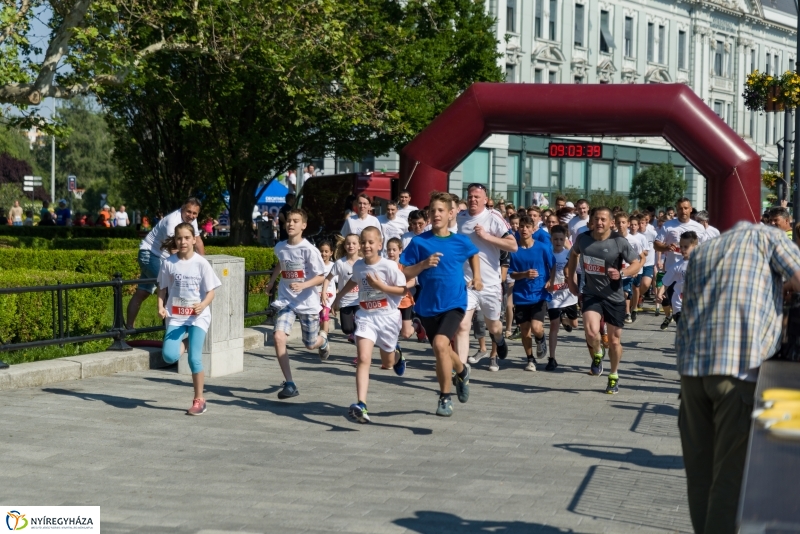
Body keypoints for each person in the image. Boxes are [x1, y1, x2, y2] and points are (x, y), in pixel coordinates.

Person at [676, 222, 800, 534]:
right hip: (737, 370)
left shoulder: (705, 249)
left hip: (692, 372)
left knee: (700, 475)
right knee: (729, 479)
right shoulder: (770, 238)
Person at [401, 192, 481, 417]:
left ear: (450, 214)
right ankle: (462, 369)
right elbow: (405, 270)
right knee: (442, 350)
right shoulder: (419, 242)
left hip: (455, 302)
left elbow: (473, 255)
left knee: (439, 344)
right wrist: (423, 264)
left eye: (440, 210)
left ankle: (445, 398)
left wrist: (477, 277)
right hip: (427, 305)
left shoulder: (460, 240)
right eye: (432, 210)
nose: (436, 214)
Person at [332, 227, 407, 423]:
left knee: (387, 363)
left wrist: (381, 287)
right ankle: (361, 404)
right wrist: (338, 297)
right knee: (363, 358)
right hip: (365, 316)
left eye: (370, 242)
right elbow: (353, 280)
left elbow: (403, 290)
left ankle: (397, 355)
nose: (366, 246)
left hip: (387, 318)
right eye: (363, 242)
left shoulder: (389, 266)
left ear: (380, 245)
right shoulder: (358, 266)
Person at [566, 207, 643, 394]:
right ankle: (598, 352)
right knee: (592, 333)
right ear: (591, 221)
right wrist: (571, 280)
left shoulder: (619, 241)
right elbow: (574, 255)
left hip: (614, 296)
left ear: (611, 223)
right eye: (596, 219)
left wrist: (622, 273)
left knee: (615, 342)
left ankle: (614, 375)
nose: (599, 223)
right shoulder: (583, 239)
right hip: (591, 293)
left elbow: (637, 262)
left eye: (603, 219)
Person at [157, 222, 221, 415]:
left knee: (194, 359)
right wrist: (160, 306)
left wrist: (203, 304)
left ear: (194, 239)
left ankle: (199, 399)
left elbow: (211, 292)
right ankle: (186, 341)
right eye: (179, 238)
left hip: (197, 317)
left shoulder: (201, 263)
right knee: (169, 356)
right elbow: (162, 288)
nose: (183, 241)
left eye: (187, 238)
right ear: (175, 240)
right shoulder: (169, 263)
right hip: (176, 316)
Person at [265, 208, 331, 399]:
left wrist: (303, 285)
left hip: (307, 302)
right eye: (288, 221)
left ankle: (323, 340)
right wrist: (271, 281)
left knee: (310, 344)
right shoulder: (280, 247)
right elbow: (281, 263)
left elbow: (320, 276)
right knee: (278, 336)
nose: (291, 224)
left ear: (303, 225)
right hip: (287, 300)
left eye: (295, 221)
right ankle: (290, 383)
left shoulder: (309, 250)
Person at [454, 183, 517, 370]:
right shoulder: (459, 218)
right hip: (467, 282)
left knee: (494, 327)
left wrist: (487, 237)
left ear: (485, 199)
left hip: (490, 283)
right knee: (462, 326)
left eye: (477, 197)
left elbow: (513, 245)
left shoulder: (493, 217)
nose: (473, 199)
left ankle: (499, 338)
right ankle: (462, 369)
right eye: (470, 196)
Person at [126, 199, 205, 329]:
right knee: (171, 288)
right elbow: (174, 250)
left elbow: (198, 241)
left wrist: (202, 264)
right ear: (182, 208)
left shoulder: (190, 220)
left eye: (195, 213)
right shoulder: (172, 222)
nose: (191, 216)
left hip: (160, 256)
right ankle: (174, 329)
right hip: (150, 254)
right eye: (188, 212)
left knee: (143, 292)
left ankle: (128, 329)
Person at [509, 216, 556, 371]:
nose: (524, 229)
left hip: (539, 293)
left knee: (536, 328)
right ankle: (530, 359)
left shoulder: (542, 247)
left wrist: (551, 280)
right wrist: (524, 274)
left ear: (533, 228)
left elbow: (553, 265)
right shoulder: (514, 250)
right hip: (521, 295)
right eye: (521, 226)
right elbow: (511, 274)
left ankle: (541, 339)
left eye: (527, 226)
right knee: (524, 330)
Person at [654, 198, 707, 328]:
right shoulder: (668, 225)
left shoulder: (698, 227)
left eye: (685, 208)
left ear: (690, 209)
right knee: (677, 303)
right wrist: (666, 247)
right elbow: (656, 244)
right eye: (680, 208)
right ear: (676, 210)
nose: (683, 211)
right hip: (673, 270)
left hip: (693, 270)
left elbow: (706, 247)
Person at [547, 225, 578, 370]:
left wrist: (573, 283)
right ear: (551, 239)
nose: (558, 242)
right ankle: (552, 358)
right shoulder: (547, 254)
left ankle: (564, 320)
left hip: (569, 295)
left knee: (575, 324)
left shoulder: (569, 253)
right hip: (553, 296)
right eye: (555, 239)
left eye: (561, 239)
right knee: (553, 326)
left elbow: (575, 273)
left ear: (565, 239)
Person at [323, 234, 361, 344]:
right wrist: (324, 293)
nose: (351, 246)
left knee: (361, 327)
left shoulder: (363, 262)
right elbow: (327, 279)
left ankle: (359, 348)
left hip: (360, 299)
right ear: (344, 246)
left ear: (359, 246)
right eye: (348, 243)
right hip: (345, 300)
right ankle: (353, 328)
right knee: (347, 329)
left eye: (354, 243)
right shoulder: (340, 263)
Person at [616, 213, 648, 324]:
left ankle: (628, 313)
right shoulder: (611, 238)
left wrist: (637, 269)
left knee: (625, 292)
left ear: (628, 224)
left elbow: (642, 257)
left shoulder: (634, 241)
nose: (621, 225)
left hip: (628, 271)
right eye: (618, 222)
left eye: (623, 222)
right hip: (614, 272)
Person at [661, 231, 698, 327]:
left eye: (686, 247)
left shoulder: (701, 264)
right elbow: (666, 282)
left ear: (695, 247)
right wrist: (659, 294)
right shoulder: (677, 266)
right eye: (681, 246)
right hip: (679, 304)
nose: (682, 249)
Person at [385, 237, 417, 349]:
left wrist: (401, 287)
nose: (391, 252)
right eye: (389, 250)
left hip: (405, 301)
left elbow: (413, 281)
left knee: (406, 334)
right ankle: (392, 350)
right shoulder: (384, 265)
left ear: (400, 250)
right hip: (390, 302)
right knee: (391, 330)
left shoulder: (404, 265)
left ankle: (417, 324)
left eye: (394, 250)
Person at [317, 239, 336, 335]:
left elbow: (339, 281)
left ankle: (324, 338)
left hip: (329, 295)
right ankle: (322, 335)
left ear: (331, 253)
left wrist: (338, 294)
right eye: (321, 251)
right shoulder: (315, 266)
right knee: (319, 317)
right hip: (317, 295)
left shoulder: (334, 266)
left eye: (326, 251)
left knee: (324, 314)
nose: (323, 254)